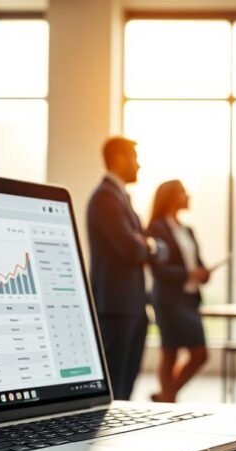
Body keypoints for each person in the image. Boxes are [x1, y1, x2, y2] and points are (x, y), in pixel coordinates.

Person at [86, 137, 166, 401]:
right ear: (119, 159)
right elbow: (130, 248)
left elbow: (146, 247)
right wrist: (148, 245)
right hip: (116, 307)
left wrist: (146, 244)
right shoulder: (105, 198)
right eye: (134, 157)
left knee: (126, 388)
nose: (139, 165)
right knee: (116, 390)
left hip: (132, 305)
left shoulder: (120, 197)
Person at [145, 180, 211, 403]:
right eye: (183, 192)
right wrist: (189, 274)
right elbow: (158, 268)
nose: (188, 195)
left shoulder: (187, 230)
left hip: (190, 299)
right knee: (170, 351)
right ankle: (168, 399)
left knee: (200, 354)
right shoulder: (156, 228)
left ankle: (166, 396)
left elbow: (196, 262)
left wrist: (203, 273)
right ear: (171, 196)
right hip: (169, 299)